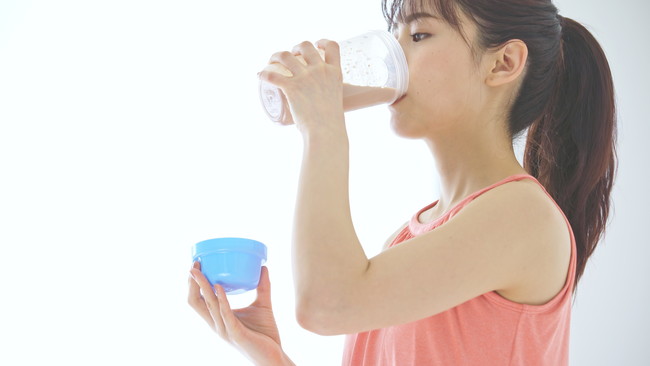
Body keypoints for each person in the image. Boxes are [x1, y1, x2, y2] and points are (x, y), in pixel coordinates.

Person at [188, 0, 617, 364]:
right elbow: (329, 304)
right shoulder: (408, 239)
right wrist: (270, 355)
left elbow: (325, 304)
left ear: (503, 63)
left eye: (418, 36)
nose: (392, 54)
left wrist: (323, 126)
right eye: (393, 35)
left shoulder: (521, 217)